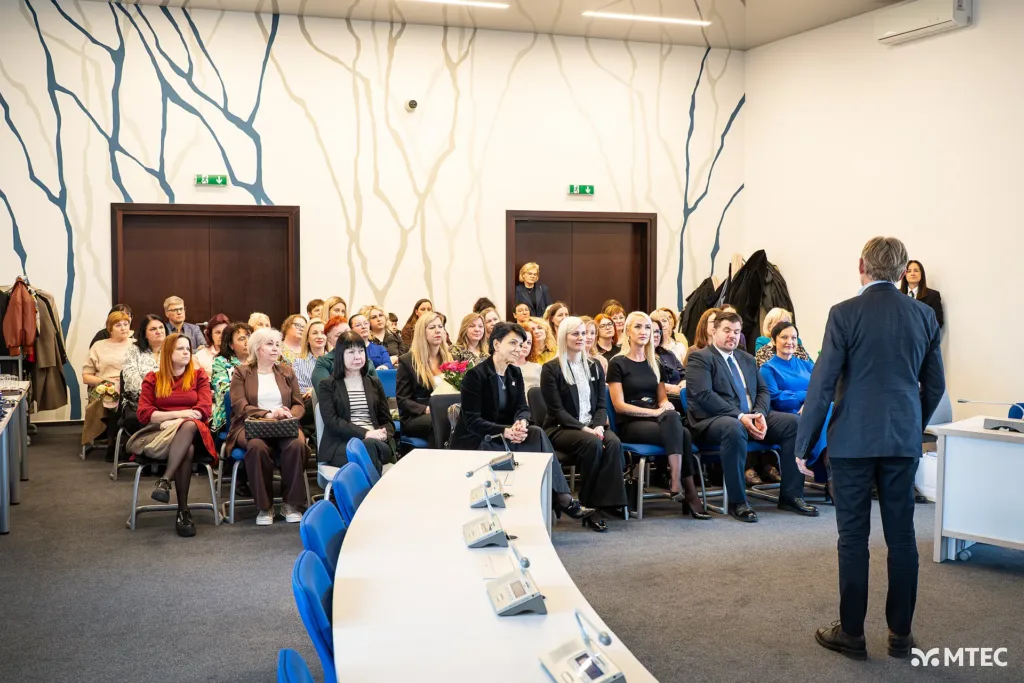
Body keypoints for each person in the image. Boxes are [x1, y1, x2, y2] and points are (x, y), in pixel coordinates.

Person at [801, 237, 944, 660]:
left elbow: (823, 384)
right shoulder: (923, 314)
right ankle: (900, 635)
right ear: (902, 272)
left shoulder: (843, 313)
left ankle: (852, 634)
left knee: (852, 537)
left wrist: (804, 444)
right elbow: (935, 385)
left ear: (861, 265)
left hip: (853, 441)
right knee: (902, 537)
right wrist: (911, 422)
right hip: (901, 439)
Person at [449, 322, 593, 523]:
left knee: (536, 433)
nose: (519, 349)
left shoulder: (514, 373)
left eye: (521, 344)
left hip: (507, 434)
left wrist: (521, 422)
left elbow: (522, 408)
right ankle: (554, 501)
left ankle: (562, 497)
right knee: (523, 442)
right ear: (496, 344)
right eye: (513, 343)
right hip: (480, 438)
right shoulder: (476, 376)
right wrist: (506, 431)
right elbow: (473, 421)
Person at [685, 311, 817, 523]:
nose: (732, 335)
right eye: (727, 330)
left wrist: (760, 414)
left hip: (751, 416)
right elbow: (704, 395)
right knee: (734, 427)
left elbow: (763, 391)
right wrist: (740, 416)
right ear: (714, 331)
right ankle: (738, 502)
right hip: (713, 421)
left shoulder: (746, 359)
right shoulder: (700, 358)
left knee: (794, 423)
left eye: (736, 331)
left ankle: (791, 496)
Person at [608, 312, 709, 520]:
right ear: (627, 331)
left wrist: (665, 406)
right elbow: (619, 406)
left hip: (658, 420)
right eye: (638, 327)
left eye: (648, 328)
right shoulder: (617, 363)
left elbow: (661, 399)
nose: (644, 332)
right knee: (684, 434)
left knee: (672, 417)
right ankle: (688, 493)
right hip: (632, 422)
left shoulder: (655, 362)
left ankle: (677, 483)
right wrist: (655, 411)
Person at [541, 317, 628, 531]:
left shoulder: (594, 365)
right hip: (561, 428)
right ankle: (588, 505)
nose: (582, 338)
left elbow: (601, 404)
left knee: (614, 443)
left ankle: (602, 502)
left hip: (592, 426)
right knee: (593, 443)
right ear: (564, 336)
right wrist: (586, 429)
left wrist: (597, 426)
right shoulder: (551, 368)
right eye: (576, 334)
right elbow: (557, 411)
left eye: (584, 333)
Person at [133, 333, 216, 537]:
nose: (186, 352)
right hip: (161, 433)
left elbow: (204, 410)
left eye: (188, 348)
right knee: (187, 449)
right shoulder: (153, 379)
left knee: (188, 426)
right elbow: (144, 414)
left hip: (195, 433)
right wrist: (179, 415)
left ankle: (165, 480)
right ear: (168, 352)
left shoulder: (199, 376)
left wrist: (178, 421)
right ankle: (183, 511)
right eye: (180, 349)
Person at [227, 328, 309, 526]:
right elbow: (239, 405)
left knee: (297, 444)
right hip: (251, 424)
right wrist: (268, 414)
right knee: (257, 447)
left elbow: (298, 403)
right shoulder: (242, 372)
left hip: (284, 424)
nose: (275, 348)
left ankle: (291, 504)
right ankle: (265, 507)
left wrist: (288, 414)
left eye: (278, 344)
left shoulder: (287, 372)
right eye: (270, 344)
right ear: (257, 348)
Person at [316, 331, 396, 472]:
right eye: (351, 352)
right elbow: (332, 422)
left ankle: (365, 486)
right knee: (365, 450)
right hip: (342, 444)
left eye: (361, 351)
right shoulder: (327, 385)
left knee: (369, 447)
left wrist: (384, 434)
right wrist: (365, 433)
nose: (358, 356)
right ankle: (374, 485)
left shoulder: (374, 382)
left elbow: (386, 420)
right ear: (340, 355)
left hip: (376, 442)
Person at [761, 321, 829, 474]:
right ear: (774, 341)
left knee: (832, 409)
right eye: (784, 337)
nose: (790, 342)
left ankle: (828, 465)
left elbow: (823, 389)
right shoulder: (768, 368)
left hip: (812, 412)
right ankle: (825, 466)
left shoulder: (807, 365)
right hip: (790, 416)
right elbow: (777, 399)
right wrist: (809, 397)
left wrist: (809, 403)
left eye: (793, 338)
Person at [81, 311, 134, 461]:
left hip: (130, 385)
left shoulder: (136, 345)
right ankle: (113, 443)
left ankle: (126, 443)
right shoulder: (98, 346)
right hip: (103, 384)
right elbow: (86, 376)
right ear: (110, 328)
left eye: (126, 324)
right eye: (118, 325)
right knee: (111, 398)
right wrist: (106, 383)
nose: (123, 328)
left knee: (126, 399)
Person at [396, 311, 452, 443]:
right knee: (438, 422)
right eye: (432, 327)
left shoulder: (451, 359)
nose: (438, 331)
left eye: (440, 326)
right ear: (422, 333)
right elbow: (403, 400)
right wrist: (426, 409)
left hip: (446, 411)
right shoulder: (407, 361)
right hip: (416, 416)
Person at [211, 322, 252, 434]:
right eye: (242, 339)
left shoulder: (259, 361)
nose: (248, 342)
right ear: (231, 345)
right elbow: (225, 391)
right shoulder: (220, 363)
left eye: (250, 337)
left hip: (258, 411)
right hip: (230, 415)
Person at [121, 314, 165, 404]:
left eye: (161, 327)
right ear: (145, 334)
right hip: (140, 400)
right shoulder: (133, 350)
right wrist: (152, 395)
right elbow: (131, 379)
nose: (159, 331)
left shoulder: (173, 349)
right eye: (153, 329)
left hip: (169, 398)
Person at [900, 259, 943, 328]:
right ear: (904, 275)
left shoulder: (933, 295)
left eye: (916, 270)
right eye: (909, 271)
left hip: (922, 334)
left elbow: (938, 322)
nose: (912, 274)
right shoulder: (897, 294)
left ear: (921, 274)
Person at [291, 318, 328, 398]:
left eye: (323, 333)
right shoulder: (298, 363)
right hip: (310, 403)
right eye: (315, 333)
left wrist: (314, 391)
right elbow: (299, 390)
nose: (319, 336)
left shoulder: (335, 360)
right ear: (307, 338)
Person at [651, 323, 685, 399]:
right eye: (652, 331)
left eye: (657, 331)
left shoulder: (669, 354)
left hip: (678, 395)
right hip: (657, 398)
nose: (656, 335)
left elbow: (684, 374)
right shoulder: (640, 356)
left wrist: (681, 385)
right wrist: (668, 388)